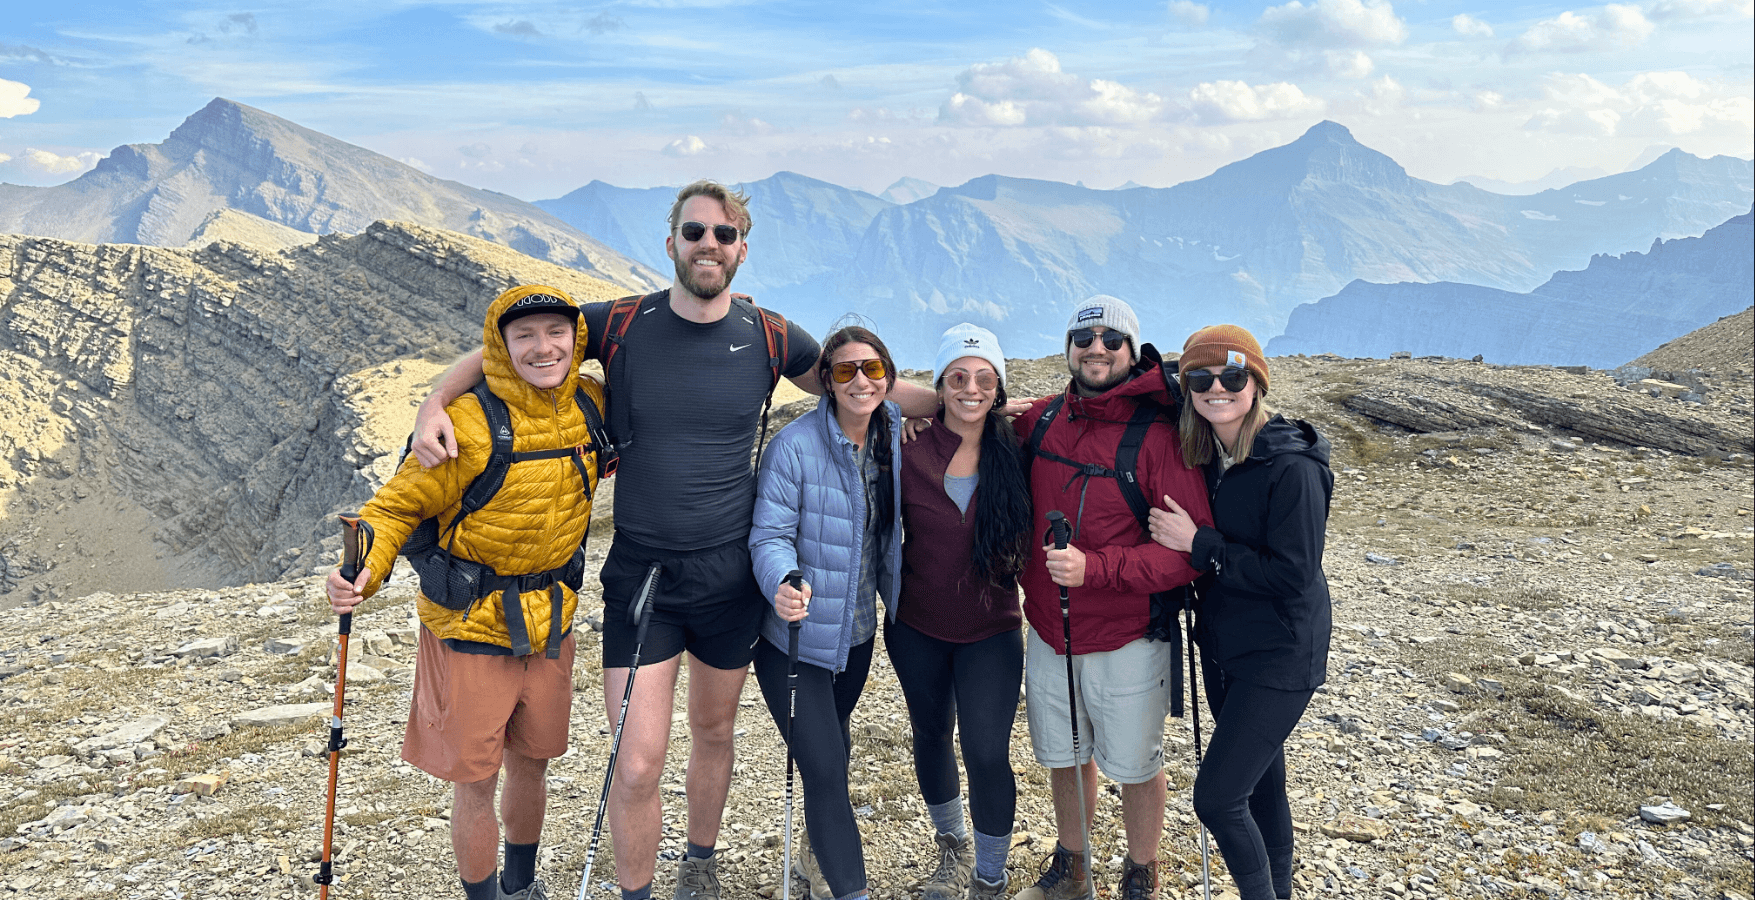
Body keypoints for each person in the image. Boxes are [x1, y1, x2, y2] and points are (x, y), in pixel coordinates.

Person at [409, 182, 937, 900]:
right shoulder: (622, 322)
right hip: (642, 576)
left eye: (723, 235)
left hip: (729, 577)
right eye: (695, 233)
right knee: (636, 764)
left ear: (741, 249)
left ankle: (699, 863)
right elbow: (507, 350)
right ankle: (638, 893)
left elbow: (859, 382)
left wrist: (969, 405)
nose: (708, 245)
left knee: (714, 733)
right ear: (672, 245)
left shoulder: (771, 335)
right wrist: (433, 403)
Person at [327, 285, 607, 900]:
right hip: (472, 625)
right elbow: (394, 510)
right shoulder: (468, 425)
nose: (543, 347)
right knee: (476, 781)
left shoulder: (591, 404)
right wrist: (362, 573)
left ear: (576, 339)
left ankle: (521, 887)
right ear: (499, 348)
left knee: (533, 764)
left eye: (556, 332)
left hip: (551, 620)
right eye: (524, 336)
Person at [1012, 296, 1213, 900]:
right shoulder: (1042, 420)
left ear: (1132, 350)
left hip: (1128, 635)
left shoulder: (1160, 437)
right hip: (1050, 630)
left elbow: (1185, 556)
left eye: (1111, 339)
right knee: (1064, 755)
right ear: (1068, 348)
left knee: (1134, 765)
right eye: (1084, 337)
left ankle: (1140, 874)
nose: (1096, 348)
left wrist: (1094, 569)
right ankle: (1074, 866)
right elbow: (965, 416)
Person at [1147, 325, 1333, 900]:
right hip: (1228, 646)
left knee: (1218, 798)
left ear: (1256, 383)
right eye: (1200, 379)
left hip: (1279, 652)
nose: (1216, 389)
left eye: (1233, 376)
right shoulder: (1214, 457)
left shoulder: (1293, 466)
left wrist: (1199, 544)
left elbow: (1291, 573)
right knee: (1260, 787)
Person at [749, 325, 904, 900]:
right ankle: (851, 890)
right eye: (844, 371)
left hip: (858, 637)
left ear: (888, 376)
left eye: (871, 369)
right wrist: (782, 580)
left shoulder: (895, 437)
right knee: (824, 772)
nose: (859, 380)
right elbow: (769, 535)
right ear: (827, 383)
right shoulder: (794, 447)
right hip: (794, 640)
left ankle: (812, 871)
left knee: (832, 756)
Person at [888, 324, 1032, 900]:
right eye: (957, 378)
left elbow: (1082, 401)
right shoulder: (904, 447)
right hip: (916, 625)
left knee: (986, 750)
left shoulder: (1020, 447)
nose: (970, 389)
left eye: (984, 380)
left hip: (992, 630)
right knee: (930, 735)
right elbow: (850, 380)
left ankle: (989, 876)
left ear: (998, 387)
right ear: (939, 385)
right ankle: (952, 851)